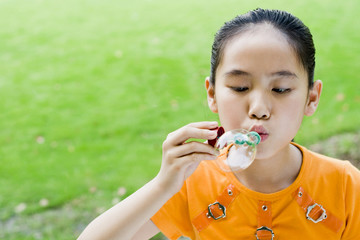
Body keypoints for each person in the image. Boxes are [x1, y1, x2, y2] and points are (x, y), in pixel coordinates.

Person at [78, 8, 360, 240]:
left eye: (281, 89)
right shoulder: (193, 182)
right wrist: (163, 185)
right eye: (239, 87)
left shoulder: (345, 187)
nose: (259, 108)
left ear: (311, 98)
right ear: (212, 94)